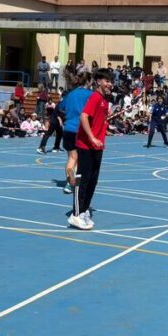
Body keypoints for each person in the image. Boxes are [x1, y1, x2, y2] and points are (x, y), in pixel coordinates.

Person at [70, 68, 113, 231]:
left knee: (93, 180)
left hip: (98, 146)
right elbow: (83, 116)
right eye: (107, 81)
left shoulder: (104, 100)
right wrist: (92, 137)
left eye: (110, 81)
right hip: (86, 145)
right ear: (99, 82)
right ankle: (75, 213)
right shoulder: (95, 97)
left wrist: (101, 132)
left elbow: (98, 120)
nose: (110, 84)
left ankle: (84, 210)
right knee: (83, 179)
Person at [60, 72, 93, 195]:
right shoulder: (90, 95)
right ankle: (76, 185)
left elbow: (61, 107)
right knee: (81, 159)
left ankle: (68, 182)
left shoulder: (70, 94)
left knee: (71, 157)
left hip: (68, 129)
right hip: (80, 130)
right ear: (88, 81)